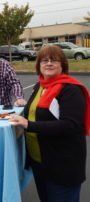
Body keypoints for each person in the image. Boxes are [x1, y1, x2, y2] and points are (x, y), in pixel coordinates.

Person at [9, 44, 90, 202]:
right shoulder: (39, 86)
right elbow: (34, 114)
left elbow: (70, 125)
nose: (49, 63)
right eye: (44, 60)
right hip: (41, 164)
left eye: (54, 60)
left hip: (62, 167)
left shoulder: (70, 90)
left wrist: (28, 125)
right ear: (39, 65)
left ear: (63, 64)